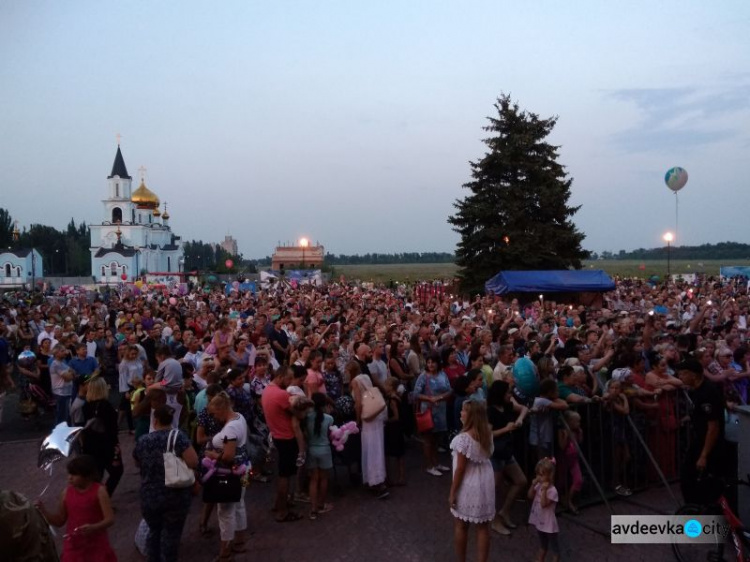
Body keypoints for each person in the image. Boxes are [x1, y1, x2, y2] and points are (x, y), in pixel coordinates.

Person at [133, 405, 198, 562]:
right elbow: (193, 461)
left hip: (149, 495)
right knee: (171, 536)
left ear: (155, 421)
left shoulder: (143, 440)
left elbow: (137, 462)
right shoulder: (179, 437)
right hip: (174, 494)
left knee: (154, 533)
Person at [34, 455, 117, 562]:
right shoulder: (66, 493)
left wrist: (94, 527)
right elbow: (60, 520)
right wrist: (43, 511)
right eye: (69, 473)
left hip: (96, 545)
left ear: (86, 475)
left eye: (74, 474)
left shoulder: (100, 491)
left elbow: (110, 519)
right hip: (73, 546)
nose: (70, 477)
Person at [205, 392, 250, 560]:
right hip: (244, 467)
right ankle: (239, 541)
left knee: (225, 511)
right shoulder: (239, 418)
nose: (215, 417)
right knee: (239, 504)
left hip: (231, 474)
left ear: (222, 408)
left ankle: (225, 550)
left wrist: (212, 454)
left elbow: (228, 456)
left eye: (215, 413)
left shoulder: (230, 428)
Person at [449, 400, 495, 562]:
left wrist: (453, 492)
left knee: (461, 525)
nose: (460, 413)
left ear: (470, 416)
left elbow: (460, 469)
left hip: (468, 484)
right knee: (483, 528)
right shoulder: (487, 433)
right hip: (485, 482)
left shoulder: (463, 439)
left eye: (463, 411)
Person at [677, 358, 726, 505]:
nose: (680, 377)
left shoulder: (707, 392)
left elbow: (713, 427)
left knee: (693, 478)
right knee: (690, 478)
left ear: (694, 375)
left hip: (707, 443)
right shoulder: (697, 390)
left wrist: (704, 455)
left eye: (683, 374)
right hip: (700, 439)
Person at [261, 366, 303, 522]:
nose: (290, 382)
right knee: (285, 475)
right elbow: (298, 412)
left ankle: (279, 503)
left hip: (277, 435)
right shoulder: (281, 394)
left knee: (283, 473)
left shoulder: (267, 390)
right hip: (286, 437)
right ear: (281, 376)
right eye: (288, 378)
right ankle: (283, 511)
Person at [487, 380, 528, 535]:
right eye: (507, 393)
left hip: (506, 450)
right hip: (495, 452)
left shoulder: (507, 406)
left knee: (521, 480)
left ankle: (504, 511)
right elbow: (488, 434)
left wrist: (519, 419)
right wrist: (506, 428)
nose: (510, 395)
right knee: (495, 488)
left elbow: (524, 408)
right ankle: (494, 520)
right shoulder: (490, 411)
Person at [81, 377, 123, 497]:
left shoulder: (86, 406)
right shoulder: (106, 406)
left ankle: (96, 500)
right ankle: (103, 497)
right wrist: (116, 446)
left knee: (97, 474)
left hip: (90, 445)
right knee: (116, 471)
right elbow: (112, 430)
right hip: (106, 445)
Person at [413, 353, 452, 476]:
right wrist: (430, 399)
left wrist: (440, 397)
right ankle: (429, 465)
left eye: (433, 362)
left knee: (436, 439)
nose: (430, 365)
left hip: (440, 409)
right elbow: (416, 393)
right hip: (428, 410)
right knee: (428, 439)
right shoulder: (423, 376)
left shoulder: (442, 374)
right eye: (428, 362)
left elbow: (449, 390)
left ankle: (436, 463)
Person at [352, 374, 389, 499]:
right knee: (377, 448)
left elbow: (358, 403)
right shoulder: (366, 377)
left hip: (368, 419)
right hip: (376, 416)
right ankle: (379, 478)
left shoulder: (355, 381)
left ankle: (374, 480)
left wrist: (357, 421)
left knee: (370, 449)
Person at [305, 392, 334, 520]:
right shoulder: (329, 418)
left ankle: (313, 508)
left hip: (311, 449)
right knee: (324, 479)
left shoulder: (307, 417)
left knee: (313, 480)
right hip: (325, 450)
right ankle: (321, 504)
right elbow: (331, 435)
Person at [528, 457, 560, 562]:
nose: (539, 478)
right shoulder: (538, 485)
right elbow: (529, 496)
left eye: (542, 475)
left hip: (549, 524)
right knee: (543, 545)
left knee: (554, 548)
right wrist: (533, 485)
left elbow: (543, 504)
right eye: (538, 474)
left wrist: (545, 490)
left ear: (549, 476)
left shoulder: (552, 491)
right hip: (540, 522)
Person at [557, 410, 584, 514]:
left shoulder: (578, 431)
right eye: (577, 422)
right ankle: (557, 498)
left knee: (578, 480)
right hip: (564, 459)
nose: (579, 424)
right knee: (561, 481)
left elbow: (580, 443)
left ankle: (569, 500)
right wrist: (567, 435)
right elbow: (562, 446)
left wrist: (580, 434)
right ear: (569, 422)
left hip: (574, 459)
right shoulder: (562, 431)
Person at [384, 376, 406, 486]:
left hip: (393, 428)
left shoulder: (392, 400)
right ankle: (401, 476)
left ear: (391, 387)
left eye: (386, 384)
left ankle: (390, 477)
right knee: (399, 454)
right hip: (398, 428)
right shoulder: (397, 397)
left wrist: (386, 420)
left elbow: (396, 416)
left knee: (390, 453)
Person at [50, 344, 75, 424]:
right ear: (56, 353)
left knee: (67, 416)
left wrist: (71, 374)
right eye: (62, 351)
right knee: (61, 417)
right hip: (60, 394)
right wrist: (71, 374)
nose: (65, 352)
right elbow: (68, 378)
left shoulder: (63, 363)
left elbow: (74, 373)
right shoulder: (55, 364)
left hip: (67, 393)